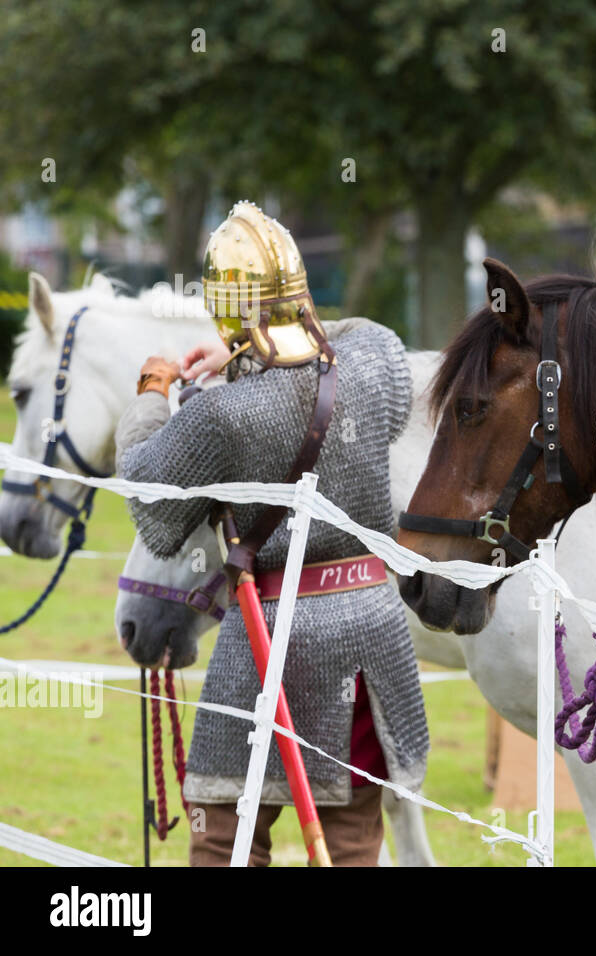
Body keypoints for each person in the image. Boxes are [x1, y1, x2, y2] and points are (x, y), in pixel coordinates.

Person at [117, 201, 429, 866]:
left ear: (226, 307)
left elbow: (153, 507)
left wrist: (152, 390)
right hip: (370, 630)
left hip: (273, 634)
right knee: (351, 844)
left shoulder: (222, 417)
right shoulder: (368, 364)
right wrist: (257, 348)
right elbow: (364, 337)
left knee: (225, 841)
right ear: (299, 293)